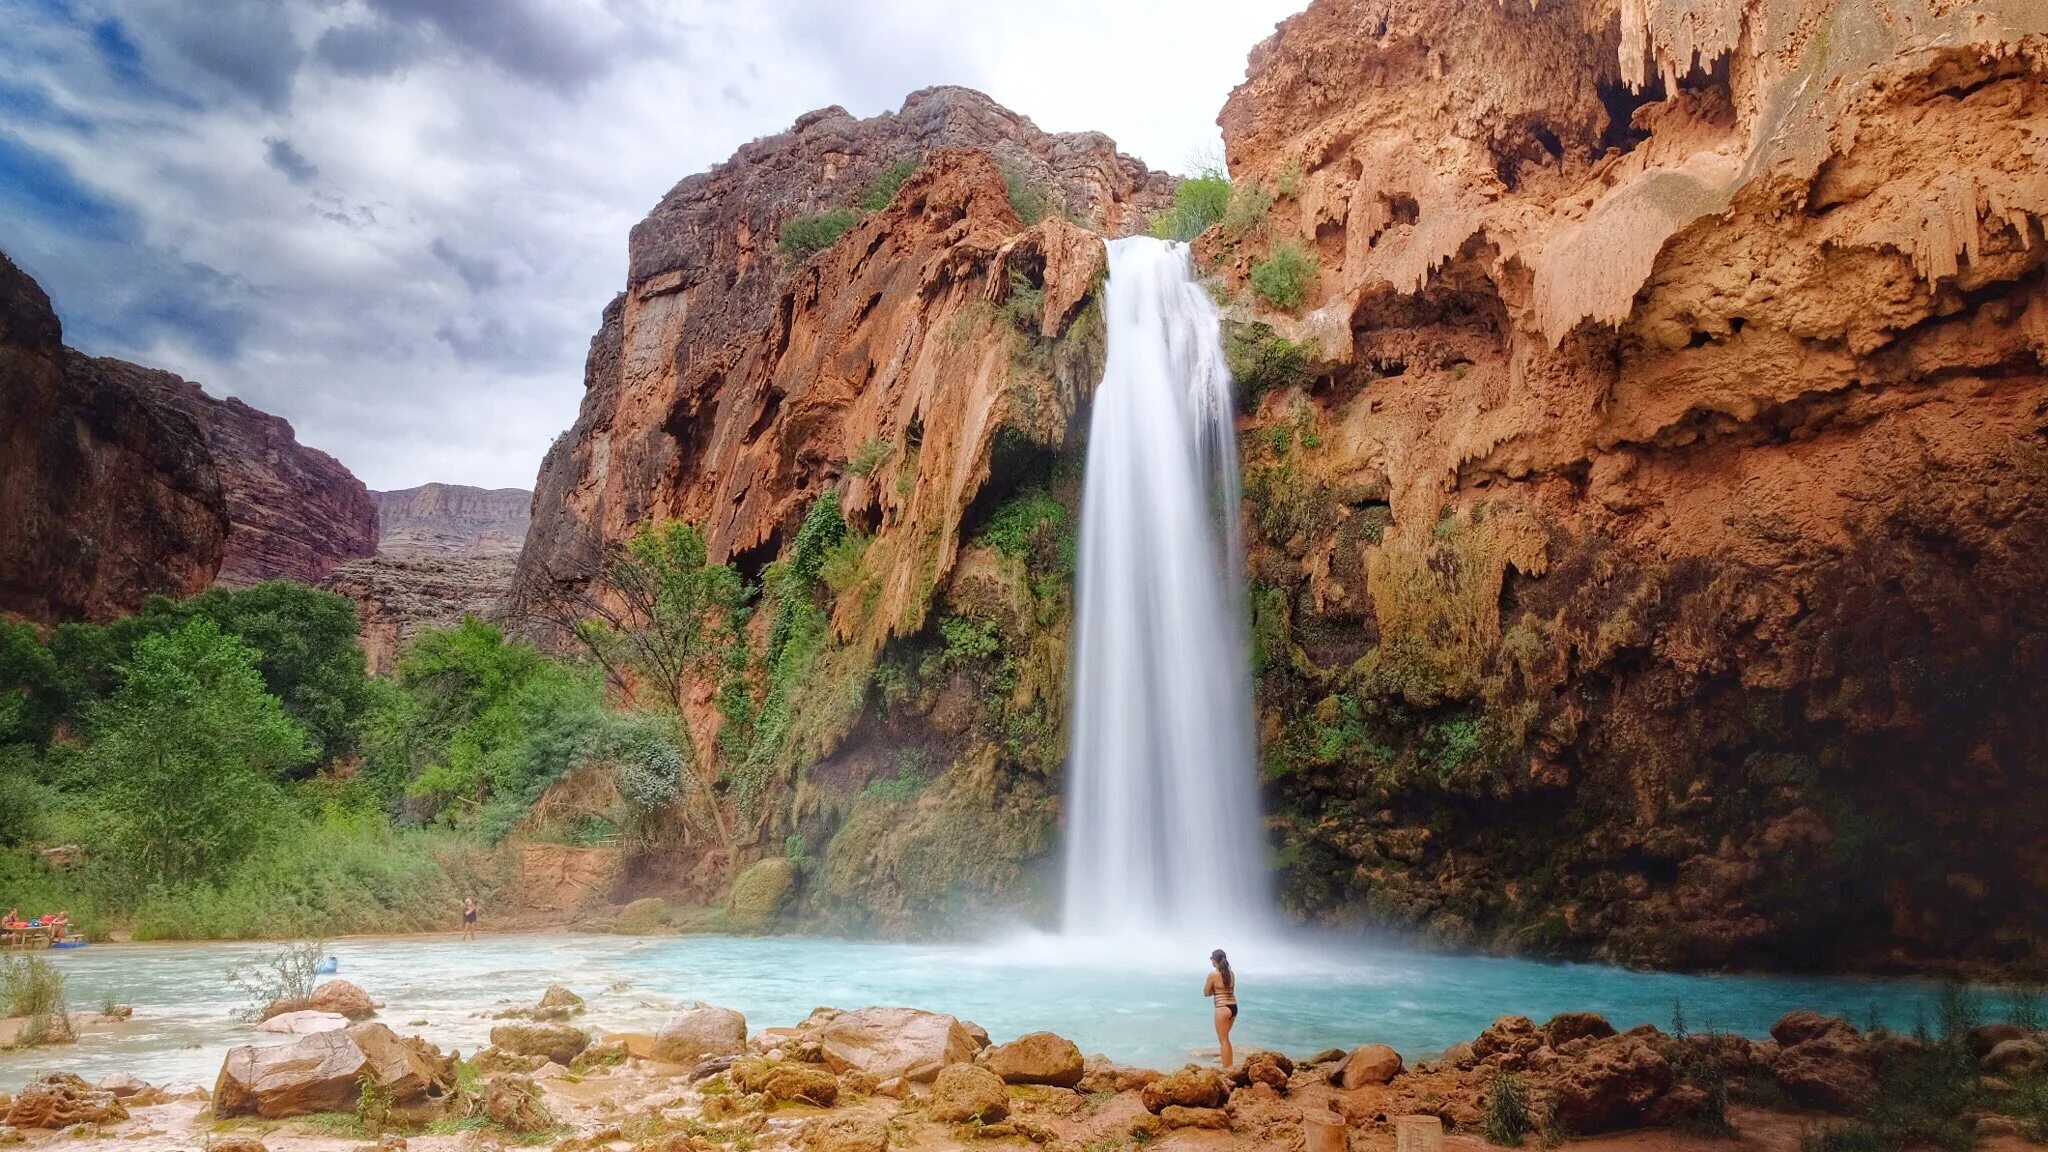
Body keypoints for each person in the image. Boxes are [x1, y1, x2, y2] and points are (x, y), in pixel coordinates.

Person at [1204, 948, 1238, 1068]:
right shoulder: (1231, 973)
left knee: (1223, 1040)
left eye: (1211, 959)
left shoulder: (1213, 974)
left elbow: (1206, 993)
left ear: (1214, 960)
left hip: (1222, 1008)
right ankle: (1230, 1066)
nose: (1211, 961)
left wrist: (1215, 990)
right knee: (1226, 1039)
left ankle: (1227, 1069)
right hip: (1233, 1007)